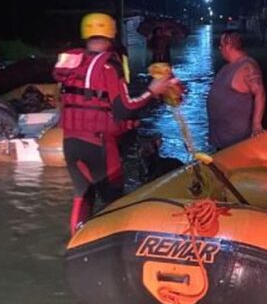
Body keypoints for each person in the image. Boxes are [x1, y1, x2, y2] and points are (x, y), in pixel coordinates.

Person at [53, 13, 177, 235]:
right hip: (98, 145)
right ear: (111, 34)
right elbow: (124, 108)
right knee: (113, 199)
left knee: (83, 194)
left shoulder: (73, 63)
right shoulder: (110, 65)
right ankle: (113, 244)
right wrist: (152, 91)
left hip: (70, 142)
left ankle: (76, 242)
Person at [207, 31, 266, 150]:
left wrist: (256, 124)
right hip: (221, 139)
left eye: (221, 45)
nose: (219, 48)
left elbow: (260, 93)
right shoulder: (228, 66)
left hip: (236, 140)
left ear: (229, 46)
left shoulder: (247, 67)